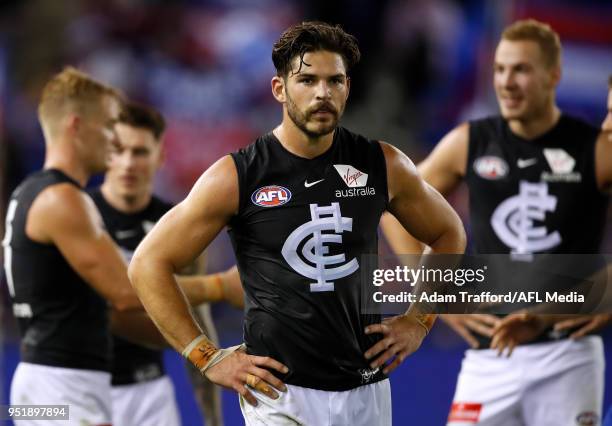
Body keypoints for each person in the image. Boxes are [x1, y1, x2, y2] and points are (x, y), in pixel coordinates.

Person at [128, 21, 465, 426]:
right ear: (279, 89)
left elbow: (448, 233)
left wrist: (419, 319)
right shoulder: (237, 176)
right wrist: (205, 355)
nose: (323, 93)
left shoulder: (383, 164)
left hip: (367, 391)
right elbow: (148, 263)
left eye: (334, 81)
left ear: (347, 88)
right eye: (307, 80)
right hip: (279, 395)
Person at [381, 20, 611, 425]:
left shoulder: (595, 147)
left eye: (521, 69)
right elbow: (394, 207)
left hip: (568, 352)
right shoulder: (470, 142)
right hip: (489, 356)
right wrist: (438, 297)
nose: (507, 81)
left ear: (553, 75)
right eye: (500, 69)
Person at [1, 67, 240, 425]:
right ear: (76, 126)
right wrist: (220, 286)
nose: (115, 142)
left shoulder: (34, 192)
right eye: (110, 125)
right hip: (63, 386)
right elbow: (127, 293)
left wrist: (189, 344)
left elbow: (102, 310)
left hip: (49, 383)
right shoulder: (63, 200)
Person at [88, 101, 242, 426]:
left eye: (141, 152)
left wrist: (213, 420)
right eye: (119, 150)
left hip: (150, 392)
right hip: (78, 389)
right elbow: (104, 302)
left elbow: (195, 321)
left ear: (160, 157)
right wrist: (218, 287)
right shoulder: (76, 216)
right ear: (105, 154)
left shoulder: (176, 227)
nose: (128, 163)